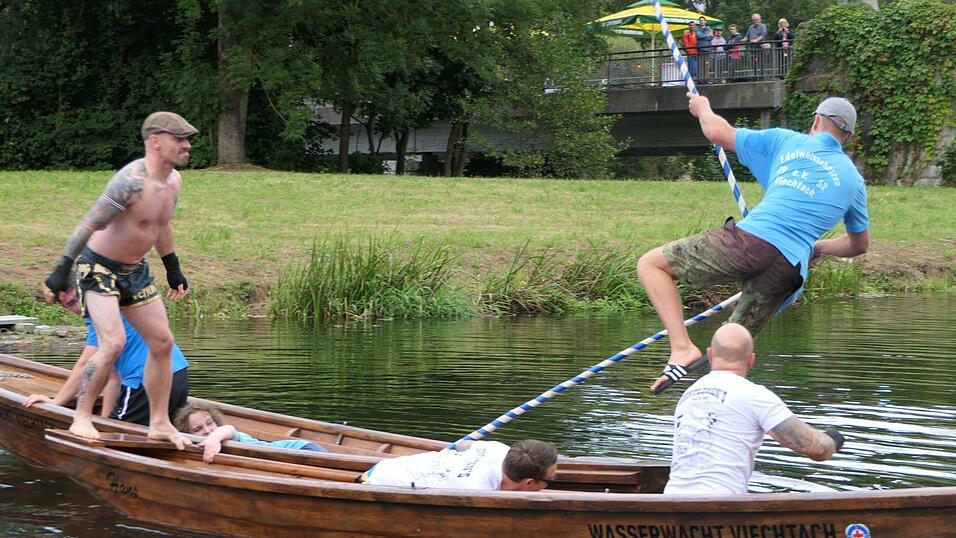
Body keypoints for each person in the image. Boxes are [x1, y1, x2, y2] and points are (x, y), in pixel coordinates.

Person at [637, 95, 870, 393]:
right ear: (847, 137)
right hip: (789, 270)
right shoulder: (854, 181)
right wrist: (819, 248)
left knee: (651, 265)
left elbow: (717, 133)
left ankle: (682, 348)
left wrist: (703, 108)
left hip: (750, 242)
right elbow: (859, 245)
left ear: (815, 121)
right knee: (731, 353)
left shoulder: (787, 141)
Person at [42, 111, 197, 449]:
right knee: (112, 343)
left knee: (162, 343)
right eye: (179, 139)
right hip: (98, 268)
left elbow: (161, 224)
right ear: (155, 142)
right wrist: (60, 270)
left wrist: (172, 267)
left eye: (187, 139)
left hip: (135, 270)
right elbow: (89, 225)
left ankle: (159, 422)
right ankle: (81, 417)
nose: (186, 145)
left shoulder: (174, 182)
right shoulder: (130, 181)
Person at [664, 324, 845, 494]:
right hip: (720, 505)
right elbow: (817, 449)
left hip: (672, 499)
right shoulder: (754, 395)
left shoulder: (688, 396)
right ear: (751, 360)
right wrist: (832, 441)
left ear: (710, 355)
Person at [23, 286, 189, 425]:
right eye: (71, 303)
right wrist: (105, 421)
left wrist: (55, 402)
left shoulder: (100, 315)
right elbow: (114, 378)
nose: (80, 306)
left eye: (79, 297)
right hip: (178, 372)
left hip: (145, 381)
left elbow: (86, 365)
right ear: (64, 308)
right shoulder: (112, 304)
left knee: (121, 438)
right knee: (161, 430)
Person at [358, 439, 557, 491]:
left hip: (386, 465)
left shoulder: (498, 449)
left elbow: (464, 446)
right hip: (376, 483)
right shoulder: (477, 491)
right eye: (551, 480)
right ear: (529, 483)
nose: (553, 482)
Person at [173, 402, 328, 463]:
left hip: (301, 449)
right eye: (198, 429)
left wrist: (214, 438)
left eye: (209, 423)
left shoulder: (227, 435)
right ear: (187, 433)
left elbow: (228, 429)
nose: (207, 431)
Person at [743, 13, 768, 78]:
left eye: (757, 19)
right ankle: (755, 75)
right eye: (754, 20)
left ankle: (761, 76)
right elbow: (746, 36)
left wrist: (756, 40)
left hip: (760, 47)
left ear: (760, 20)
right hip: (752, 47)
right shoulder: (750, 27)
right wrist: (743, 40)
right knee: (754, 62)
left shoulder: (763, 26)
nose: (756, 21)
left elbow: (763, 35)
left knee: (760, 62)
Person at [694, 16, 713, 80]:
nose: (701, 21)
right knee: (700, 65)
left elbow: (711, 38)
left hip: (707, 49)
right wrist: (707, 35)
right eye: (700, 20)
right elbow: (698, 36)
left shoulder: (709, 28)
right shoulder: (697, 28)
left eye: (702, 20)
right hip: (700, 49)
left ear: (705, 21)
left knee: (707, 65)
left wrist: (703, 36)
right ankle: (700, 79)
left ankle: (706, 78)